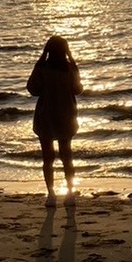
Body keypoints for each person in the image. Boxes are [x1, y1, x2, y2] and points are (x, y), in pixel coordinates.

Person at [26, 35, 83, 205]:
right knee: (67, 156)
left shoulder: (42, 67)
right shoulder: (70, 67)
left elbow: (32, 89)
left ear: (48, 50)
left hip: (46, 114)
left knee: (47, 157)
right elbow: (78, 90)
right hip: (66, 114)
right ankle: (70, 193)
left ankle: (51, 194)